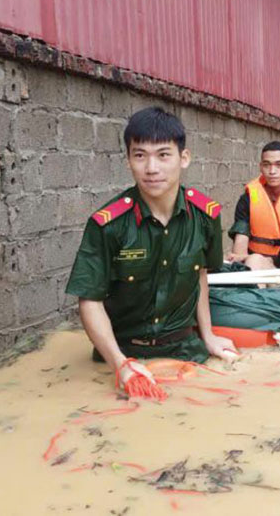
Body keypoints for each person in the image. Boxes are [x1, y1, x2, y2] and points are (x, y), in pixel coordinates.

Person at [65, 107, 237, 392]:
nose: (152, 168)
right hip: (120, 355)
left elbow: (200, 275)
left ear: (184, 158)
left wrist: (208, 335)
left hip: (186, 351)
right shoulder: (108, 224)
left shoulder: (206, 216)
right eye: (140, 155)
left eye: (163, 154)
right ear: (128, 161)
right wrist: (119, 365)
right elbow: (90, 301)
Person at [226, 141, 280, 266]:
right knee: (252, 262)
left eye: (279, 165)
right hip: (260, 263)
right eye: (267, 165)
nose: (272, 171)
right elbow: (241, 237)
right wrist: (239, 260)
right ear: (261, 166)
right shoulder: (248, 198)